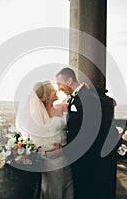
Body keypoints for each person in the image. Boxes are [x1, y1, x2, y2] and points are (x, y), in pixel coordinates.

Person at [16, 81, 74, 199]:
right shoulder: (37, 116)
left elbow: (78, 102)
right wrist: (47, 152)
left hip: (65, 156)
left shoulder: (61, 107)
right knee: (54, 190)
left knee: (68, 187)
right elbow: (36, 138)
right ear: (46, 96)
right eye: (53, 91)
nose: (56, 91)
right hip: (52, 159)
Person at [56, 67, 102, 199]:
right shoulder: (77, 96)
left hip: (84, 157)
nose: (59, 88)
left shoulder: (88, 98)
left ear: (69, 80)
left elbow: (88, 133)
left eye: (60, 84)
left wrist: (65, 151)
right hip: (77, 156)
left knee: (84, 190)